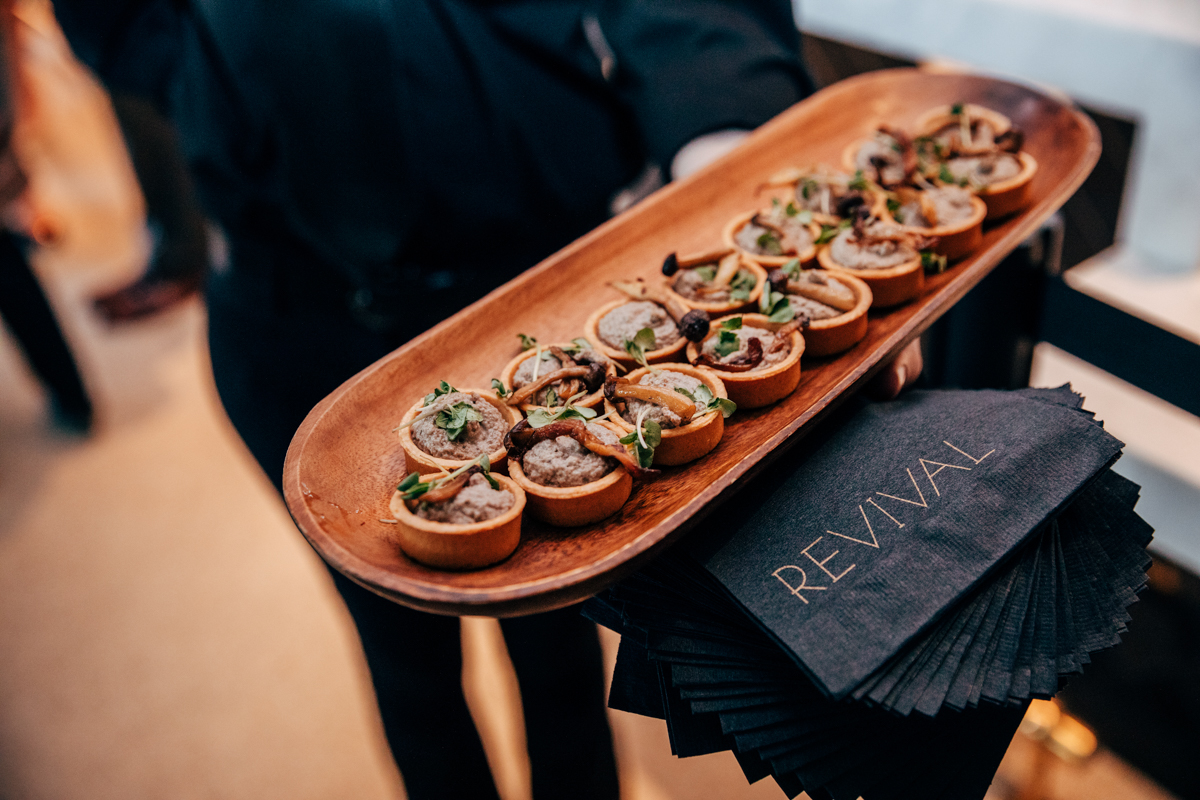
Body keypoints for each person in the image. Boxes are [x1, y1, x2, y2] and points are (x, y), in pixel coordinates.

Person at [59, 1, 920, 796]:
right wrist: (203, 78)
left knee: (561, 644)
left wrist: (732, 167)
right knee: (404, 658)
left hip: (544, 287)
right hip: (297, 312)